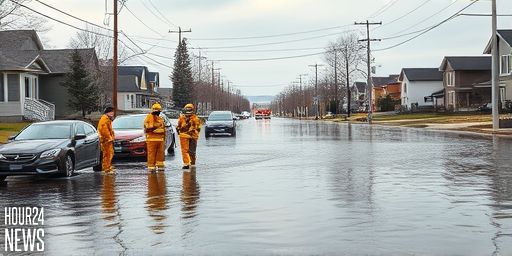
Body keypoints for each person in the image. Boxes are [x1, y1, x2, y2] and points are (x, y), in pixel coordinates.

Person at [177, 103, 201, 169]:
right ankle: (186, 163)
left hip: (193, 137)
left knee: (192, 151)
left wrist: (191, 131)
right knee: (185, 150)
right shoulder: (182, 118)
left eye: (189, 110)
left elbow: (197, 128)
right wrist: (179, 129)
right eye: (187, 110)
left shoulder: (195, 119)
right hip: (184, 136)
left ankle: (192, 163)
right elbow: (179, 126)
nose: (188, 112)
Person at [144, 103, 166, 172]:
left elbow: (163, 129)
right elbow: (148, 128)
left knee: (160, 153)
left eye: (159, 111)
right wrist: (157, 126)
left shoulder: (160, 118)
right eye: (157, 111)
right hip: (152, 139)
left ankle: (160, 165)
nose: (158, 112)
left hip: (160, 139)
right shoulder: (149, 117)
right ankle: (151, 166)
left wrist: (163, 138)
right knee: (152, 153)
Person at [97, 106, 115, 174]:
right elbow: (104, 130)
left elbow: (109, 130)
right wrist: (109, 137)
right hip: (106, 140)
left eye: (113, 112)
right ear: (108, 112)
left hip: (108, 140)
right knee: (107, 154)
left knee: (110, 153)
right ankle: (106, 169)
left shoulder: (108, 119)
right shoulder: (104, 119)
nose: (113, 113)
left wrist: (112, 136)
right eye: (111, 112)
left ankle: (108, 167)